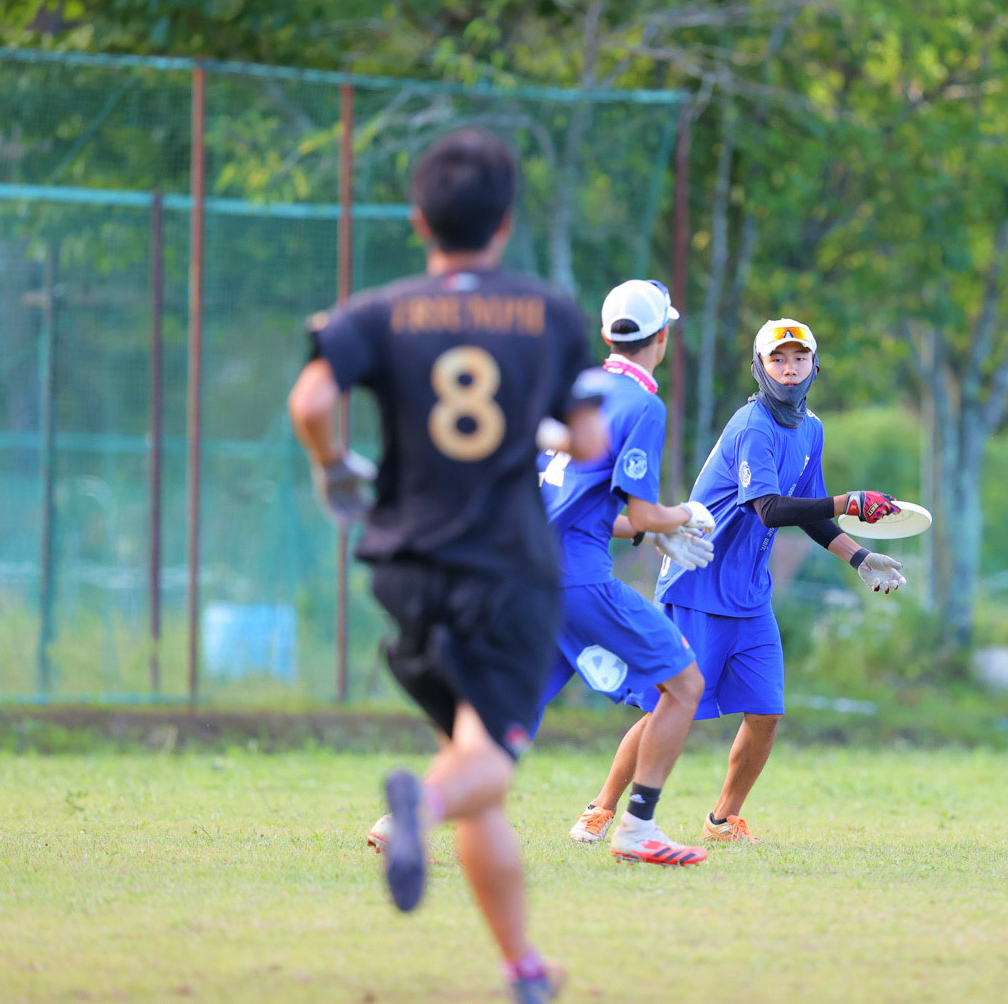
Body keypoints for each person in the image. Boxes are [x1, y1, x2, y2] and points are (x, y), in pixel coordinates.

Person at [288, 128, 603, 1004]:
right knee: (490, 760)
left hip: (407, 567)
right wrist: (542, 420)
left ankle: (523, 967)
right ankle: (415, 810)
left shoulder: (376, 312)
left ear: (419, 220)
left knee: (471, 762)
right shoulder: (548, 312)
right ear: (504, 223)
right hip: (504, 571)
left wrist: (331, 466)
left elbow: (311, 400)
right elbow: (589, 442)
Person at [567, 318, 909, 845]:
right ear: (759, 368)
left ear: (815, 366)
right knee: (667, 706)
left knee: (766, 713)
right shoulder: (753, 426)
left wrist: (859, 557)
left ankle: (722, 820)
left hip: (749, 595)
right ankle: (602, 807)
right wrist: (849, 502)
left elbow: (809, 510)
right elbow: (770, 509)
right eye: (778, 359)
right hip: (698, 583)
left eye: (799, 358)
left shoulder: (811, 428)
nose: (790, 369)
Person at [531, 278, 715, 866]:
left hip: (529, 574)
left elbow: (580, 506)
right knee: (683, 685)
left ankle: (407, 817)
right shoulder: (644, 404)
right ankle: (637, 828)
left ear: (607, 334)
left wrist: (648, 529)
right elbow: (642, 512)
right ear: (662, 338)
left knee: (507, 714)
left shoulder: (577, 388)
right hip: (580, 582)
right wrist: (683, 515)